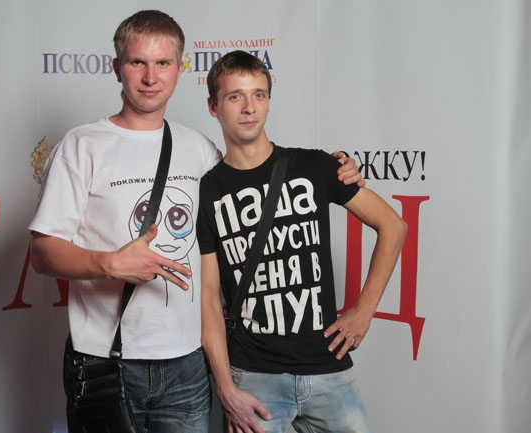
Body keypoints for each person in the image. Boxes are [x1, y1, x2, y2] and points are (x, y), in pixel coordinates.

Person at [28, 10, 363, 433]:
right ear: (116, 68)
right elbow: (42, 253)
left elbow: (256, 178)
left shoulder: (198, 149)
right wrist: (109, 263)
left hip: (187, 365)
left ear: (180, 69)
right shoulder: (82, 145)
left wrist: (338, 170)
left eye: (163, 63)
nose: (151, 77)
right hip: (107, 362)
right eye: (137, 62)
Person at [198, 50, 407, 433]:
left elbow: (393, 226)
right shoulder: (209, 191)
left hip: (328, 369)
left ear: (268, 102)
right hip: (253, 375)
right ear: (214, 106)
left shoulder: (313, 166)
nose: (249, 107)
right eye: (235, 96)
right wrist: (225, 388)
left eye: (259, 95)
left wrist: (364, 311)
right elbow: (209, 299)